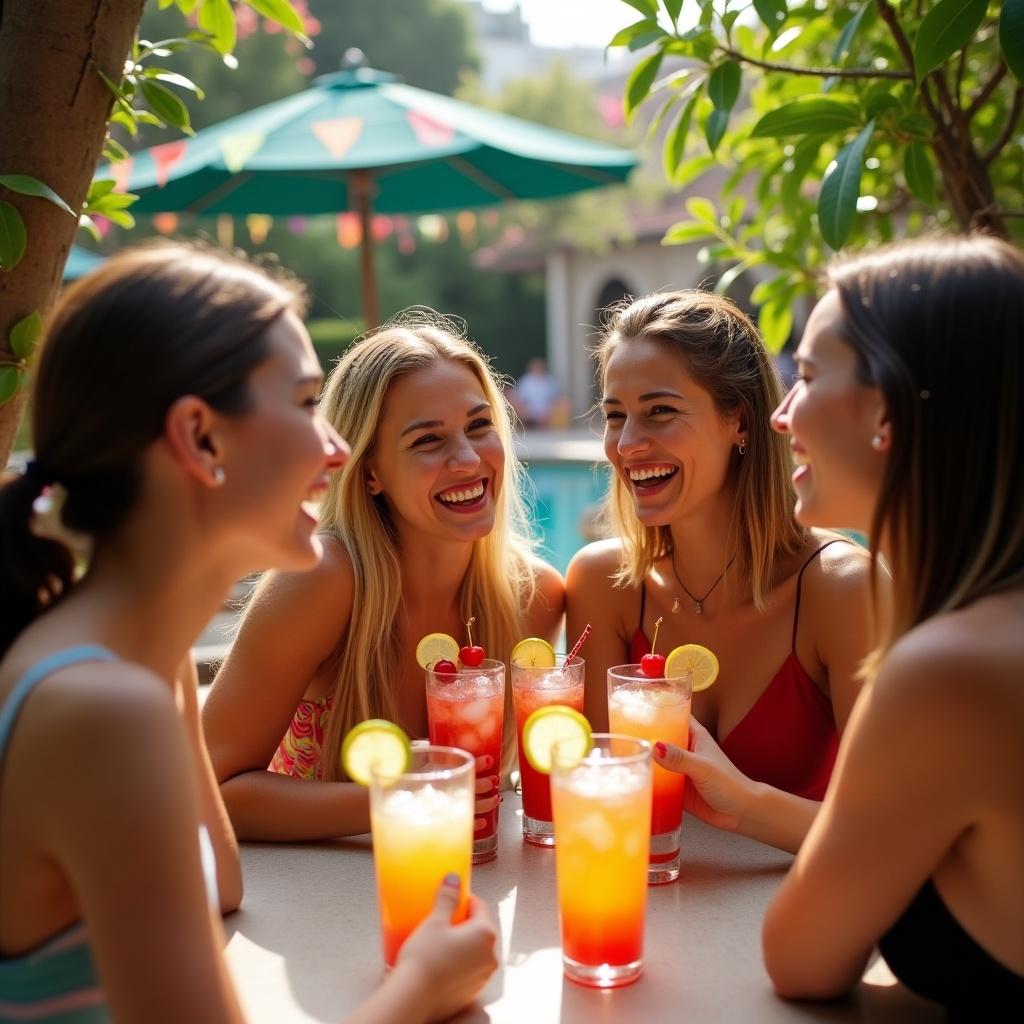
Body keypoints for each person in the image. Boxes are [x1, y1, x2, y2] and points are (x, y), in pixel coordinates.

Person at [0, 244, 497, 1023]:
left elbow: (221, 886)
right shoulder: (103, 707)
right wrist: (423, 987)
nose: (336, 448)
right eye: (305, 405)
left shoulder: (144, 665)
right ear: (200, 438)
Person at [755, 236, 1024, 1014]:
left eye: (804, 376)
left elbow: (800, 960)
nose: (781, 414)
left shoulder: (949, 671)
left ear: (886, 410)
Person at [202, 313, 563, 842]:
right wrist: (398, 799)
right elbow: (211, 786)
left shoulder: (536, 597)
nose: (467, 459)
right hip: (313, 905)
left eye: (479, 426)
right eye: (427, 441)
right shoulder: (320, 580)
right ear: (370, 471)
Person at [566, 289, 879, 853]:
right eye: (616, 416)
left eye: (660, 411)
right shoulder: (602, 584)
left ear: (740, 421)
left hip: (795, 913)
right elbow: (602, 796)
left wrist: (744, 804)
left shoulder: (841, 589)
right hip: (646, 910)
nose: (629, 444)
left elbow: (888, 832)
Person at [510, 356, 563, 429]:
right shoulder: (526, 380)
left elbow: (556, 397)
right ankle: (525, 426)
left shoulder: (550, 380)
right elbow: (520, 397)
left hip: (547, 408)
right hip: (529, 408)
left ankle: (546, 425)